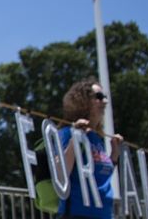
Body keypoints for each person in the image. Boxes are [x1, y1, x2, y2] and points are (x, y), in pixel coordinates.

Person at [57, 78, 123, 219]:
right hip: (77, 214)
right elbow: (61, 172)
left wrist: (114, 155)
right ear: (83, 102)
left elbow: (101, 175)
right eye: (99, 97)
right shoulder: (67, 132)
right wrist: (75, 138)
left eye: (105, 97)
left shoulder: (96, 138)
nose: (105, 101)